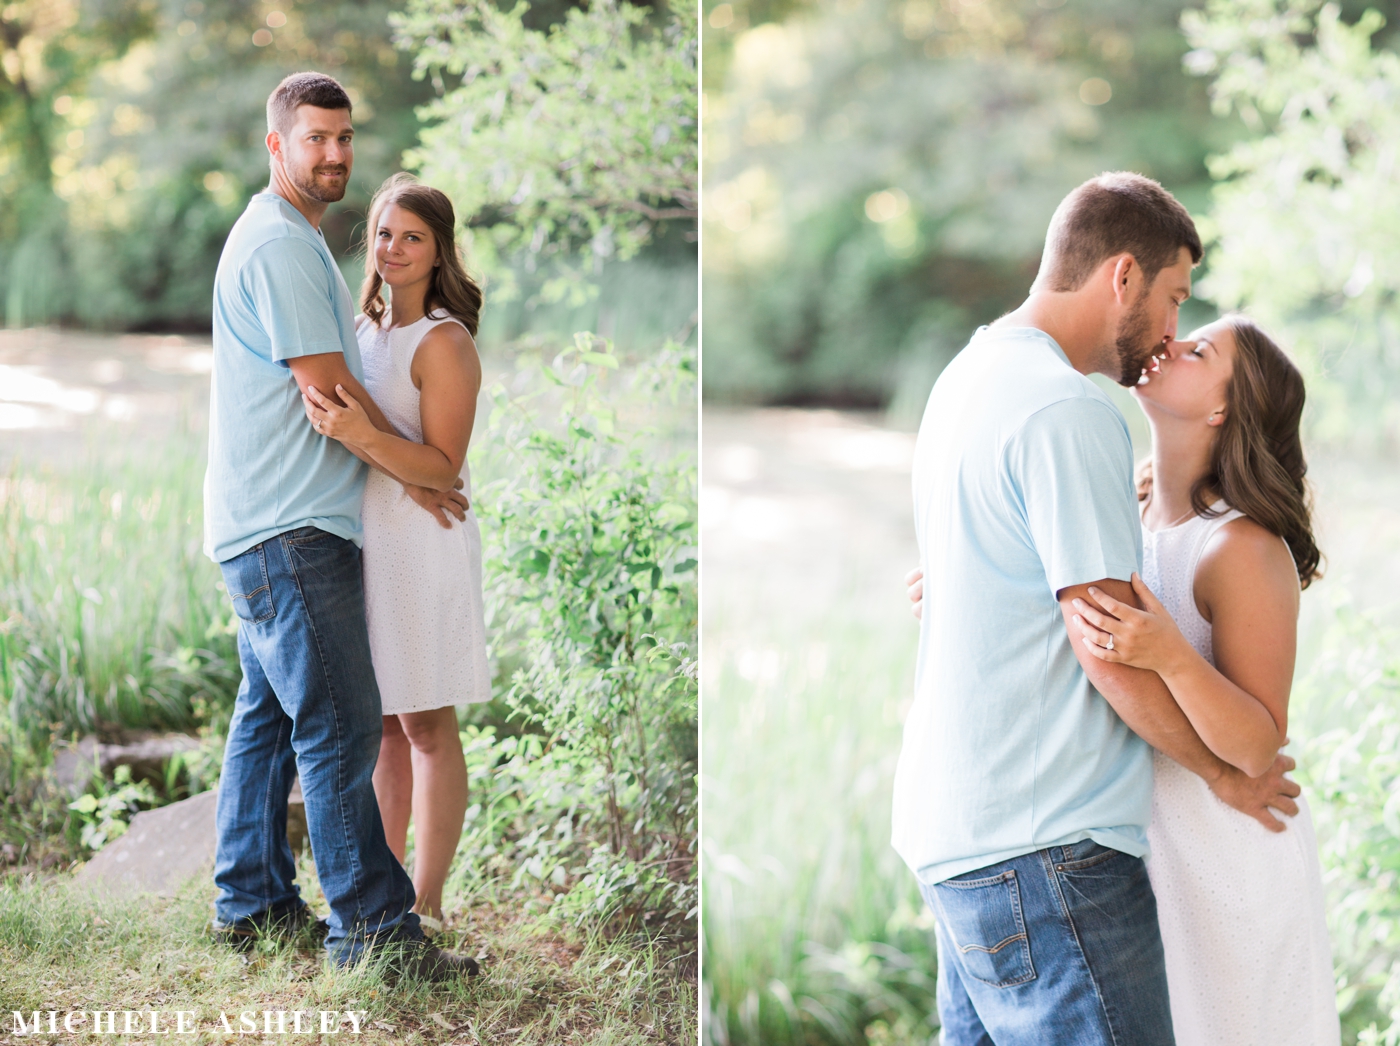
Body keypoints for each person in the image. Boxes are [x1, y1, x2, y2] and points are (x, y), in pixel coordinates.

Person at [890, 171, 1300, 1045]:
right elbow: (1106, 647)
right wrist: (1226, 774)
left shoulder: (967, 377)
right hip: (1047, 852)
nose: (1170, 331)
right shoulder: (1065, 408)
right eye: (1173, 299)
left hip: (958, 835)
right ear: (1123, 276)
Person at [203, 70, 475, 979]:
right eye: (314, 138)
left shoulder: (293, 238)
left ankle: (250, 902)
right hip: (290, 525)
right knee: (341, 726)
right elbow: (331, 392)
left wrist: (421, 472)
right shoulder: (282, 244)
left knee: (268, 720)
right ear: (276, 144)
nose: (333, 154)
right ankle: (373, 933)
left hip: (266, 519)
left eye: (344, 137)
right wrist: (423, 470)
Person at [1065, 315, 1338, 1044]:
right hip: (1147, 839)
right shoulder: (1128, 512)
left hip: (1231, 848)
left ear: (1222, 409)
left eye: (1196, 351)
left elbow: (1257, 746)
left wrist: (1173, 656)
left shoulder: (1241, 546)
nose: (1168, 347)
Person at [301, 173, 488, 938]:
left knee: (428, 725)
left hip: (425, 545)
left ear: (439, 248)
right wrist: (377, 453)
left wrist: (368, 443)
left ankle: (430, 899)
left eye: (413, 236)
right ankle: (385, 891)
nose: (394, 248)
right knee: (379, 725)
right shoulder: (363, 329)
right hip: (368, 539)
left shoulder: (444, 341)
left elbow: (442, 469)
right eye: (384, 233)